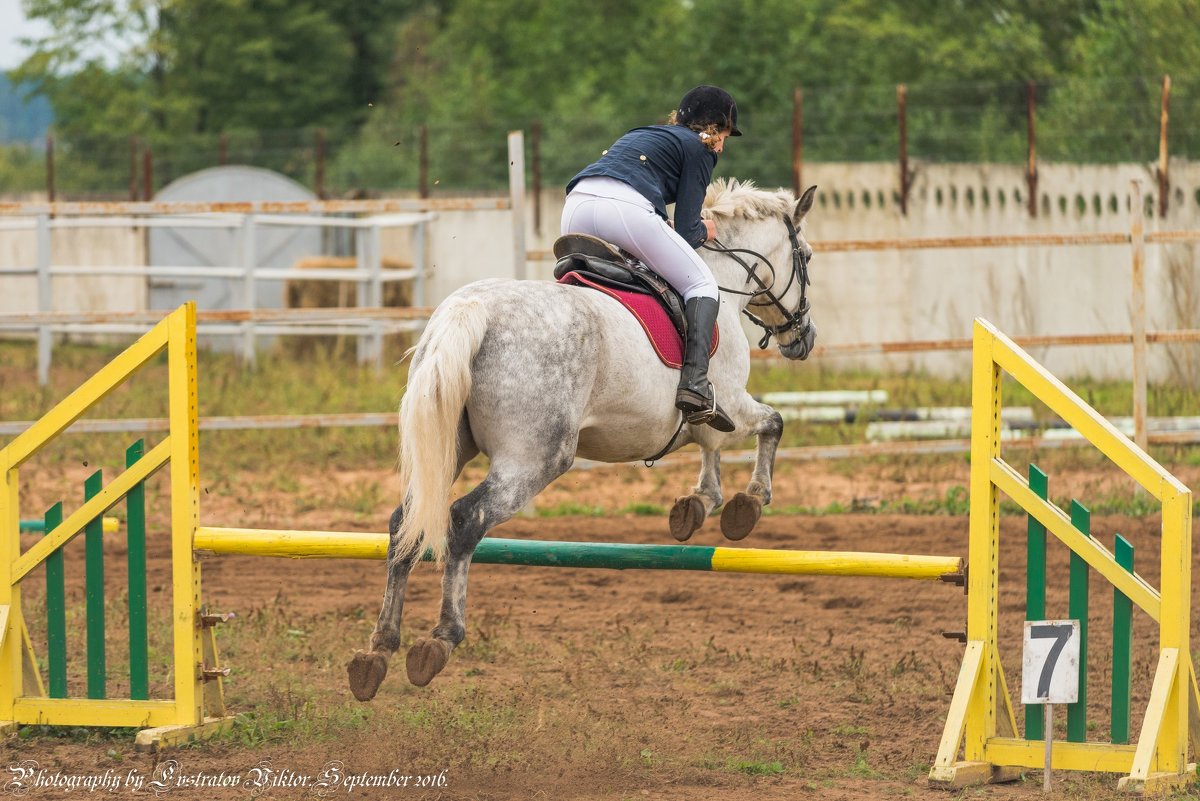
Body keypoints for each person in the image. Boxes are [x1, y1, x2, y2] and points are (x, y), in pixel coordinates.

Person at [561, 85, 742, 432]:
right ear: (710, 128)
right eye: (723, 134)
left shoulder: (646, 133)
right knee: (703, 284)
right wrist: (707, 230)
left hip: (576, 205)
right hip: (625, 209)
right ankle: (695, 385)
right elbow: (689, 234)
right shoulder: (700, 147)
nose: (721, 145)